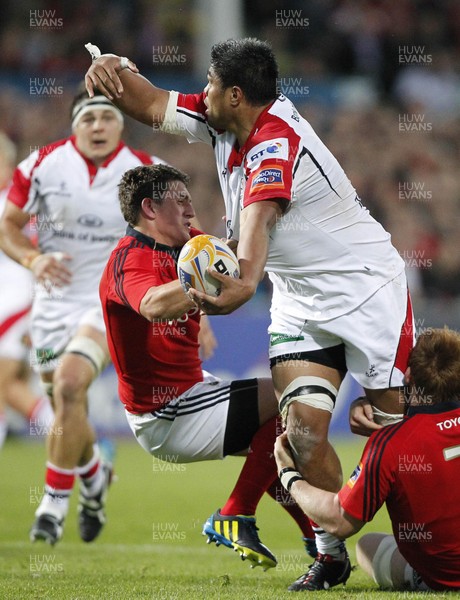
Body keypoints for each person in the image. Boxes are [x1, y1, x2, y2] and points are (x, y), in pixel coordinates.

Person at [85, 38, 415, 590]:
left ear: (236, 95)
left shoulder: (274, 144)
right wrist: (111, 70)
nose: (203, 91)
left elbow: (254, 236)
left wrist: (237, 283)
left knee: (397, 430)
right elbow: (150, 103)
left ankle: (424, 545)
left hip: (365, 289)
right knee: (302, 430)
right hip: (299, 300)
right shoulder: (223, 119)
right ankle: (331, 552)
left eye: (211, 84)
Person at [99, 163, 317, 577]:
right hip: (165, 414)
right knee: (292, 393)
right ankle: (235, 514)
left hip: (192, 393)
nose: (189, 208)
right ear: (149, 208)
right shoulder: (127, 261)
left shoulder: (192, 246)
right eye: (179, 200)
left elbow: (232, 252)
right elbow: (151, 305)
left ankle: (320, 541)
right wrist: (195, 284)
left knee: (274, 443)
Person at [0, 88, 166, 546]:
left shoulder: (145, 171)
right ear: (75, 124)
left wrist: (190, 307)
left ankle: (52, 506)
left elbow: (173, 239)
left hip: (109, 299)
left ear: (121, 124)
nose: (97, 126)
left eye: (106, 117)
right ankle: (95, 476)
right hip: (52, 304)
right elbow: (7, 227)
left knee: (72, 386)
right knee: (64, 410)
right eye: (88, 117)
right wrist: (34, 261)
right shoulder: (41, 165)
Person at [274, 327, 460, 592]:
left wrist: (288, 475)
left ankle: (416, 577)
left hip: (446, 576)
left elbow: (339, 521)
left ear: (407, 375)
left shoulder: (391, 444)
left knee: (366, 547)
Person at [0, 131, 53, 449]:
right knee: (12, 386)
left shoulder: (12, 203)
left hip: (17, 301)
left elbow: (35, 249)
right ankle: (79, 446)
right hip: (17, 302)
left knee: (3, 380)